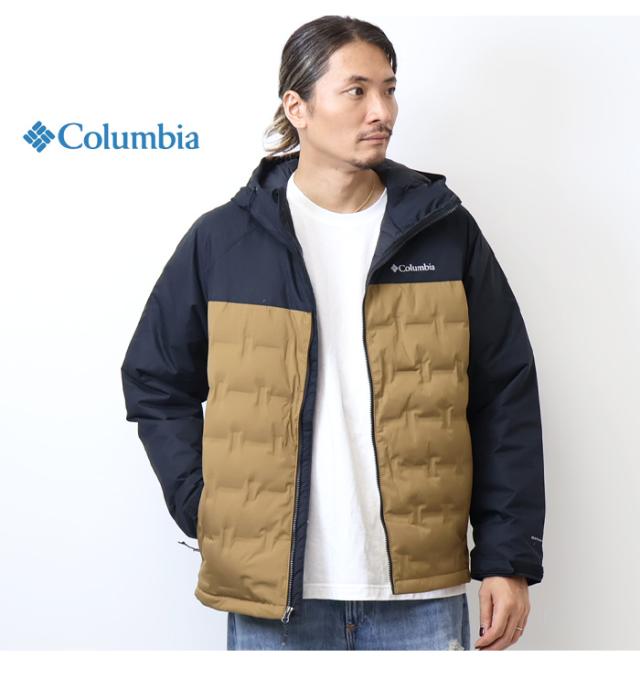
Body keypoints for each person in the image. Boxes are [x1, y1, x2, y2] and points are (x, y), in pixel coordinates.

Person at [120, 15, 545, 651]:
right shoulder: (224, 240)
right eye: (357, 91)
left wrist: (507, 557)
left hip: (419, 595)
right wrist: (205, 505)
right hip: (273, 596)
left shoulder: (443, 233)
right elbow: (155, 379)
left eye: (390, 90)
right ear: (298, 107)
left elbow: (504, 393)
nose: (382, 111)